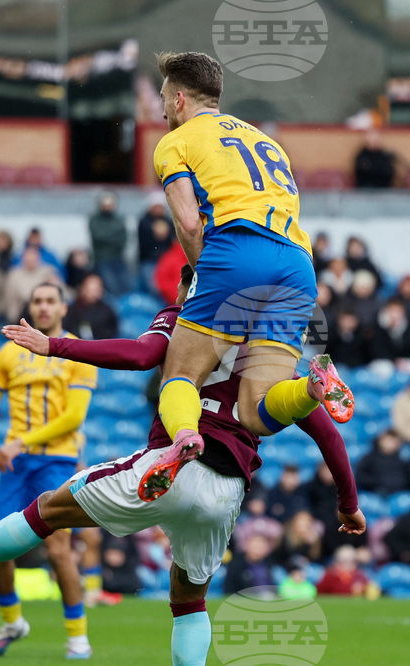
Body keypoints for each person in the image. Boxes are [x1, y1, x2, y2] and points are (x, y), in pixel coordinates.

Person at [0, 263, 365, 666]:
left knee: (47, 509)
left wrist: (56, 347)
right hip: (228, 487)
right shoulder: (266, 346)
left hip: (172, 464)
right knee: (188, 600)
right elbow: (325, 432)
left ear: (190, 288)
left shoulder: (185, 316)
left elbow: (140, 354)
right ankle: (307, 385)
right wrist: (349, 504)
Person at [149, 51, 352, 500]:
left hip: (237, 250)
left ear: (179, 98)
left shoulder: (174, 142)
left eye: (163, 98)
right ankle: (313, 386)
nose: (161, 108)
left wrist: (208, 274)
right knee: (257, 411)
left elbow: (187, 223)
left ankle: (184, 439)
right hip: (298, 263)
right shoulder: (265, 140)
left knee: (180, 376)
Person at [0, 283, 97, 659]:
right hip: (16, 463)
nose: (42, 307)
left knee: (58, 549)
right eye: (37, 301)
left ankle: (77, 636)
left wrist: (20, 442)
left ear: (63, 307)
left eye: (49, 301)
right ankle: (11, 622)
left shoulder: (79, 354)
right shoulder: (10, 352)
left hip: (57, 460)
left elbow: (74, 417)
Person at [88, 191, 128, 296]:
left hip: (118, 258)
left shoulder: (118, 218)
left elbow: (123, 238)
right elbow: (98, 236)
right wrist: (113, 234)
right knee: (111, 288)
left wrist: (109, 236)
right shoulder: (95, 219)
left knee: (126, 286)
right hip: (102, 259)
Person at [4, 246, 59, 323]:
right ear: (23, 259)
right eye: (28, 259)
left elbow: (59, 291)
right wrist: (13, 318)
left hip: (44, 315)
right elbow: (10, 298)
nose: (31, 261)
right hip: (21, 315)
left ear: (38, 259)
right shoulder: (14, 275)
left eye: (33, 259)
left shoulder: (48, 272)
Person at [62, 273, 119, 341]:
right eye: (90, 288)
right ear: (82, 288)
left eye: (97, 288)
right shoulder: (71, 310)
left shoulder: (107, 311)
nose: (94, 292)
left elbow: (112, 333)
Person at [138, 191, 175, 294]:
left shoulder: (168, 221)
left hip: (166, 261)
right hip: (149, 261)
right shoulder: (144, 221)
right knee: (153, 289)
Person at [356, 430, 410, 496]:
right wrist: (378, 483)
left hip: (400, 494)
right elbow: (360, 477)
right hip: (376, 493)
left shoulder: (404, 459)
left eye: (394, 441)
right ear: (381, 441)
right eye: (388, 440)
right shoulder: (370, 458)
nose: (391, 444)